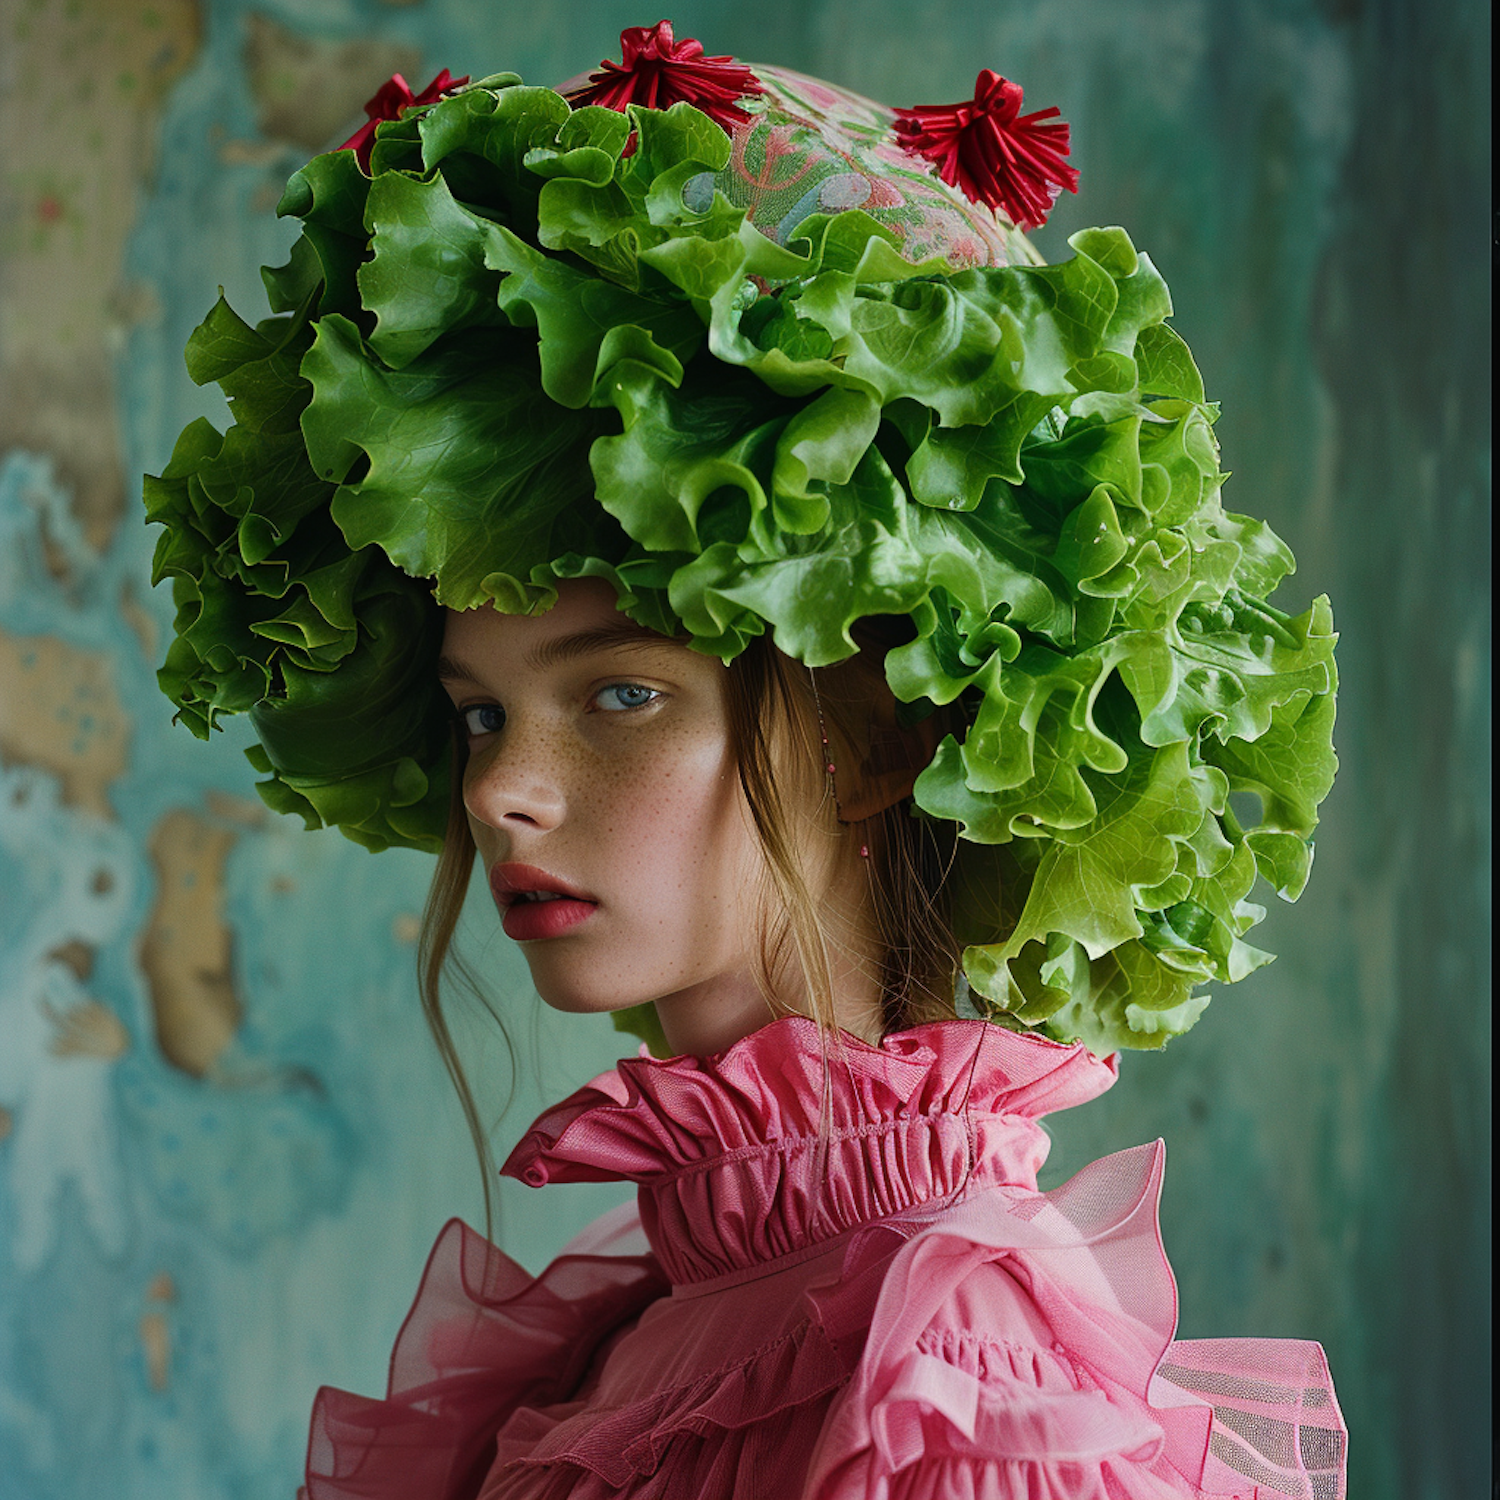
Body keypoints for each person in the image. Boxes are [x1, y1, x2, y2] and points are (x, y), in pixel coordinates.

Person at [146, 23, 1347, 1498]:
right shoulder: (650, 1324)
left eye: (621, 699)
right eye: (480, 712)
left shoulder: (954, 1360)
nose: (497, 792)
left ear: (880, 747)